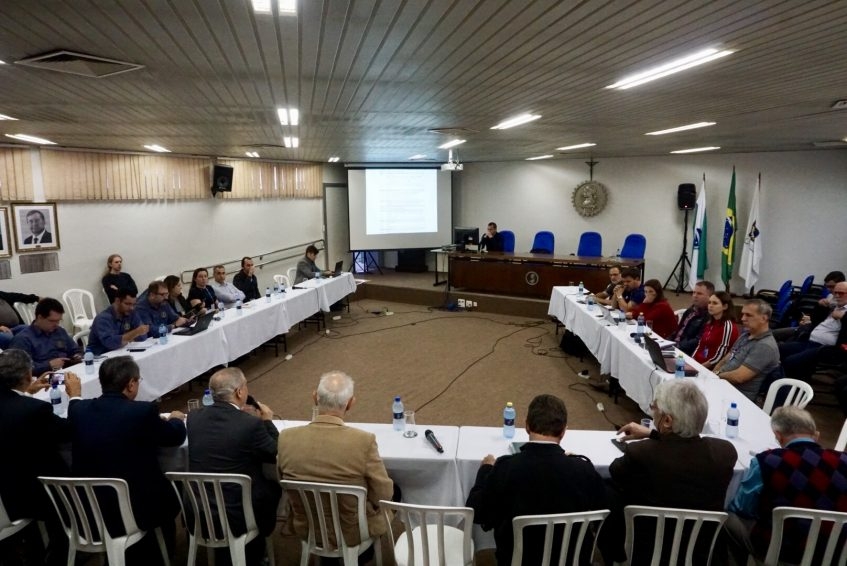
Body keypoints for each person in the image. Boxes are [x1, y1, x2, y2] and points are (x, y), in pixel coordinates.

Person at [602, 380, 737, 565]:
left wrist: (654, 437)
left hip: (649, 548)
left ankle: (613, 554)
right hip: (700, 550)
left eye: (654, 407)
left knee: (607, 489)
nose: (652, 411)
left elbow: (615, 471)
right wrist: (653, 434)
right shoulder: (725, 453)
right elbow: (681, 448)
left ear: (667, 421)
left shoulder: (642, 452)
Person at [466, 394, 606, 565]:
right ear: (563, 431)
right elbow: (603, 508)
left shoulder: (506, 468)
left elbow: (477, 511)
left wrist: (486, 470)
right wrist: (574, 462)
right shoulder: (583, 469)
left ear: (526, 426)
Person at [68, 356, 186, 558]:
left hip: (89, 510)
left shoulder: (78, 411)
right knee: (174, 488)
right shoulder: (142, 411)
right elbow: (174, 437)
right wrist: (175, 419)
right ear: (131, 384)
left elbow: (76, 406)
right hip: (136, 510)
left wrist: (74, 395)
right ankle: (162, 555)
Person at [277, 371, 394, 549]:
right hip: (352, 531)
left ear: (315, 397)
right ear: (351, 403)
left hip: (308, 527)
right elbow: (383, 495)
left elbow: (283, 482)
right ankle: (363, 555)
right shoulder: (363, 441)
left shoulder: (286, 438)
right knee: (394, 493)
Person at [726, 406, 847, 564]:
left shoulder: (767, 461)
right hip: (836, 551)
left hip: (782, 551)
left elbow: (743, 507)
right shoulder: (844, 460)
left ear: (778, 436)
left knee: (728, 514)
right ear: (816, 435)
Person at [187, 368, 281, 565]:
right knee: (273, 487)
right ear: (239, 392)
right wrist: (267, 421)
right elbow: (274, 451)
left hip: (200, 509)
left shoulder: (194, 418)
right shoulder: (250, 424)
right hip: (239, 513)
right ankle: (258, 546)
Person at [0, 349, 80, 564]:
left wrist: (26, 392)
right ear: (28, 375)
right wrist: (75, 397)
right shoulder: (34, 410)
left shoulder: (25, 406)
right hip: (28, 495)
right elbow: (69, 431)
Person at [778, 281, 847, 381]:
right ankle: (780, 379)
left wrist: (844, 317)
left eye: (841, 293)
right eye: (835, 292)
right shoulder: (834, 305)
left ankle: (792, 385)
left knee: (790, 362)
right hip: (810, 341)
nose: (836, 296)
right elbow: (814, 320)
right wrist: (819, 306)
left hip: (826, 349)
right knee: (779, 349)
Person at [713, 299, 780, 401]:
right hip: (722, 385)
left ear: (764, 318)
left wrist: (716, 375)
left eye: (748, 315)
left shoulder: (765, 346)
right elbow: (726, 359)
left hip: (737, 397)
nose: (743, 318)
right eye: (743, 314)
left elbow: (739, 377)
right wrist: (714, 373)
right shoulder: (746, 335)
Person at [9, 297, 81, 375]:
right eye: (52, 321)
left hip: (68, 372)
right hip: (42, 378)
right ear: (39, 317)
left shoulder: (59, 331)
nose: (56, 324)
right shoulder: (23, 339)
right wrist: (48, 365)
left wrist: (77, 355)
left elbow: (75, 350)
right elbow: (20, 370)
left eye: (58, 321)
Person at [88, 288, 149, 355]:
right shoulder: (103, 318)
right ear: (117, 301)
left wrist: (126, 338)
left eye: (133, 304)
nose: (131, 308)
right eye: (127, 304)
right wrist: (135, 333)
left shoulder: (131, 313)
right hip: (100, 356)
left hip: (120, 352)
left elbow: (143, 336)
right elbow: (110, 343)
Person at [692, 291, 740, 369]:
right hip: (698, 363)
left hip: (710, 368)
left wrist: (699, 368)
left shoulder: (727, 326)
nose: (710, 306)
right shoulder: (710, 323)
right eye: (709, 303)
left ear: (725, 306)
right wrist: (692, 360)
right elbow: (700, 345)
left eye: (715, 303)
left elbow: (720, 356)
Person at [669, 280, 715, 355]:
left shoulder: (709, 317)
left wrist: (678, 346)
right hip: (674, 347)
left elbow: (698, 340)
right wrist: (667, 342)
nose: (695, 296)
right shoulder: (690, 311)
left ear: (710, 297)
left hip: (685, 352)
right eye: (694, 292)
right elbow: (678, 330)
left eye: (699, 293)